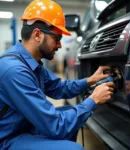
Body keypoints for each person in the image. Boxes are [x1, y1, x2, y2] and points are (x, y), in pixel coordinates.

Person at [0, 0, 115, 150]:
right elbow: (55, 125)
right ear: (37, 35)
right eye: (57, 38)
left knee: (69, 114)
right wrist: (93, 100)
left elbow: (59, 88)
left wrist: (90, 80)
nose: (60, 45)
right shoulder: (15, 71)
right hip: (7, 138)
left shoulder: (31, 63)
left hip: (23, 125)